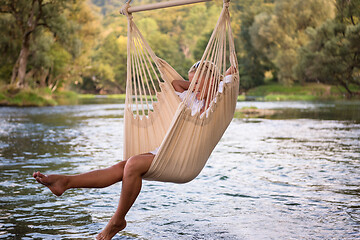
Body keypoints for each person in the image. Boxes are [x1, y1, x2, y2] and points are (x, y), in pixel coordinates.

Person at [33, 62, 236, 240]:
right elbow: (176, 84)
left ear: (212, 81)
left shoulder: (220, 99)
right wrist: (195, 85)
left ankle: (117, 221)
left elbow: (231, 73)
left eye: (199, 83)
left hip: (184, 158)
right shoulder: (193, 100)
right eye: (192, 83)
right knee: (124, 166)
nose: (194, 87)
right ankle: (65, 182)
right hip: (167, 151)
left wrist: (215, 81)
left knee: (132, 164)